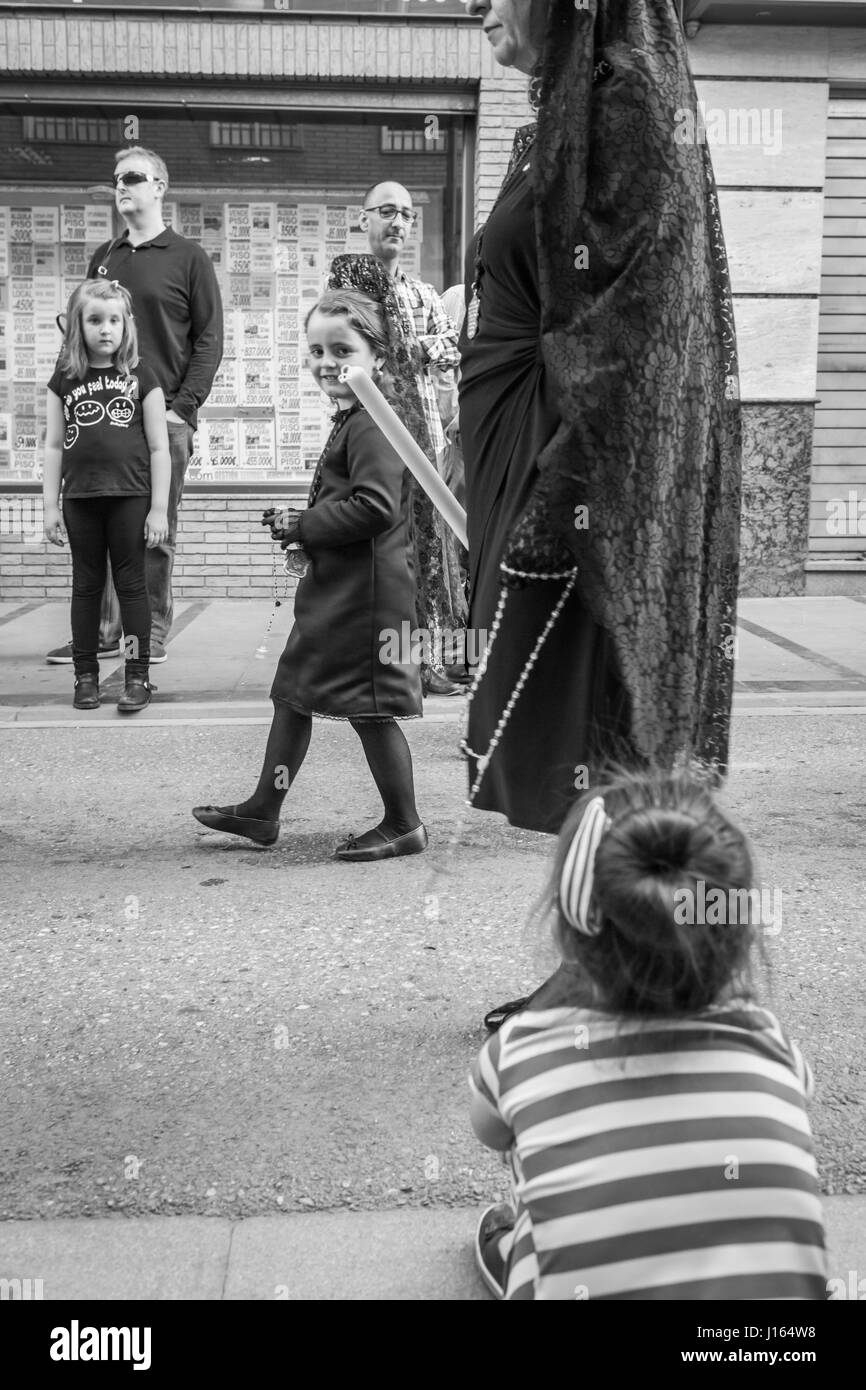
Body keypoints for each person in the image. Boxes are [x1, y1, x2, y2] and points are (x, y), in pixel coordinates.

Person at [458, 0, 742, 833]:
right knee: (558, 757)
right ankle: (604, 946)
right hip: (515, 443)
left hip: (576, 464)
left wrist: (571, 477)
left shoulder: (629, 97)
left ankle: (637, 952)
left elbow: (647, 315)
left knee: (591, 737)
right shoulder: (556, 108)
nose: (476, 4)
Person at [469, 767, 828, 1301]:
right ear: (732, 931)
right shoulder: (769, 1042)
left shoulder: (519, 1051)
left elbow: (490, 1132)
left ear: (573, 933)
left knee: (528, 1157)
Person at [192, 288, 427, 862]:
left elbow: (376, 509)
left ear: (376, 355)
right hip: (340, 592)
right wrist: (301, 524)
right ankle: (263, 812)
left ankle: (405, 824)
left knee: (370, 709)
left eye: (341, 349)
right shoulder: (355, 417)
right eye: (317, 350)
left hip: (366, 599)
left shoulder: (373, 423)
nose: (327, 363)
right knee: (294, 694)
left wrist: (306, 522)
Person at [46, 146, 223, 666]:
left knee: (155, 531)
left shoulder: (188, 257)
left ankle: (150, 633)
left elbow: (209, 340)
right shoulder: (106, 257)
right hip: (102, 420)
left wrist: (181, 409)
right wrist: (67, 396)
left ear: (159, 187)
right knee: (99, 532)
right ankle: (102, 633)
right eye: (116, 179)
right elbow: (79, 335)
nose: (122, 186)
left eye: (133, 177)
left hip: (160, 421)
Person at [42, 279, 170, 713]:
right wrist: (49, 507)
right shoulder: (64, 379)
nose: (105, 329)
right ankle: (85, 678)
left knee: (133, 590)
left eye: (114, 320)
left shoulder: (142, 376)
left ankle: (137, 677)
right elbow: (54, 446)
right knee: (86, 588)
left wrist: (157, 509)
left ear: (126, 325)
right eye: (95, 320)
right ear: (78, 325)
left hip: (131, 497)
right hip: (81, 500)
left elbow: (159, 447)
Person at [361, 182, 468, 695]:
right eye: (386, 212)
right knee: (382, 554)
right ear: (364, 220)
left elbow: (452, 344)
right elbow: (351, 350)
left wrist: (413, 346)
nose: (397, 222)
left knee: (427, 554)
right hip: (372, 446)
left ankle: (427, 662)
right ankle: (379, 662)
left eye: (405, 214)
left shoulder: (423, 293)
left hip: (424, 444)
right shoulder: (349, 288)